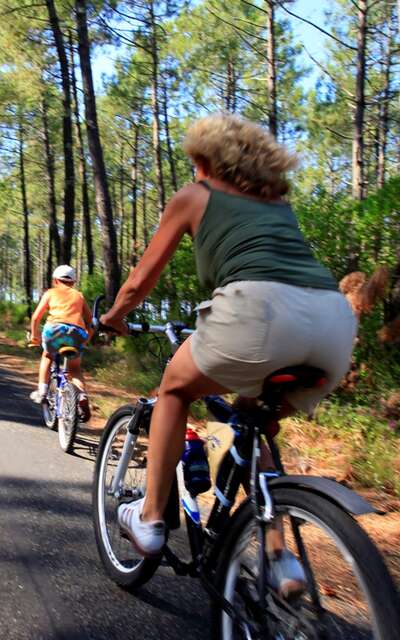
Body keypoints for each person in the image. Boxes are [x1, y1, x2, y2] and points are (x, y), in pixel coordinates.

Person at [100, 113, 356, 597]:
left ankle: (152, 517)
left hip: (257, 314)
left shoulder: (194, 196)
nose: (194, 172)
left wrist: (114, 316)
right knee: (253, 420)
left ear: (205, 160)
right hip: (333, 324)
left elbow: (139, 282)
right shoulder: (279, 204)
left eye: (196, 163)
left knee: (174, 389)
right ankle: (280, 556)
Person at [29, 265, 93, 421]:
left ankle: (42, 391)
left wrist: (34, 336)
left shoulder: (50, 293)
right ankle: (82, 395)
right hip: (77, 333)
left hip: (54, 330)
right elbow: (91, 321)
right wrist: (86, 339)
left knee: (47, 356)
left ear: (55, 280)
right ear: (73, 282)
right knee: (75, 368)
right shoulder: (79, 296)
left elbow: (36, 317)